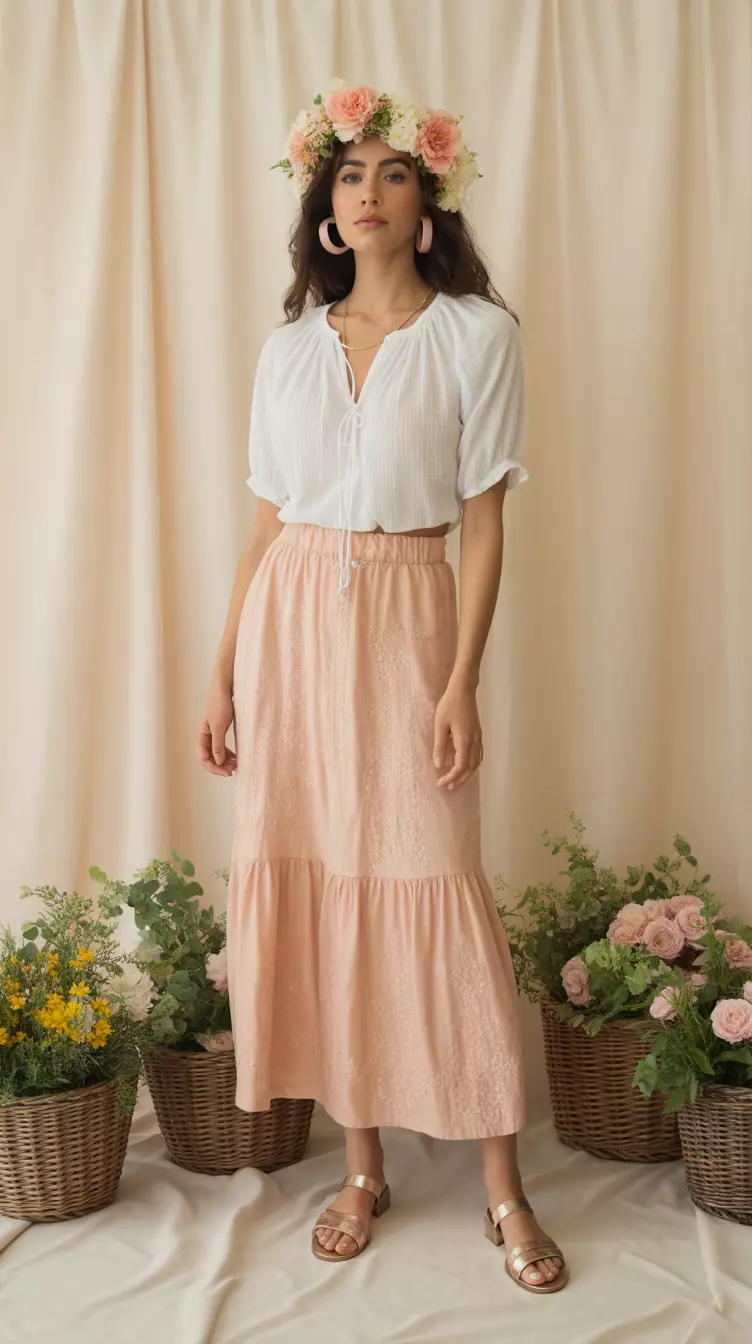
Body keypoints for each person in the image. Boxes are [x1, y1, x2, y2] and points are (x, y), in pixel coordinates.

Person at [196, 81, 567, 1295]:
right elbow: (262, 528)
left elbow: (484, 526)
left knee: (430, 881)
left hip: (411, 617)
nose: (367, 193)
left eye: (392, 174)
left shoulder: (477, 337)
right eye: (348, 177)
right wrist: (223, 670)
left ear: (426, 203)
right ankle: (362, 1166)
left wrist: (461, 682)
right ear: (325, 211)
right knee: (325, 884)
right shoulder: (287, 351)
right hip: (290, 626)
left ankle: (503, 1187)